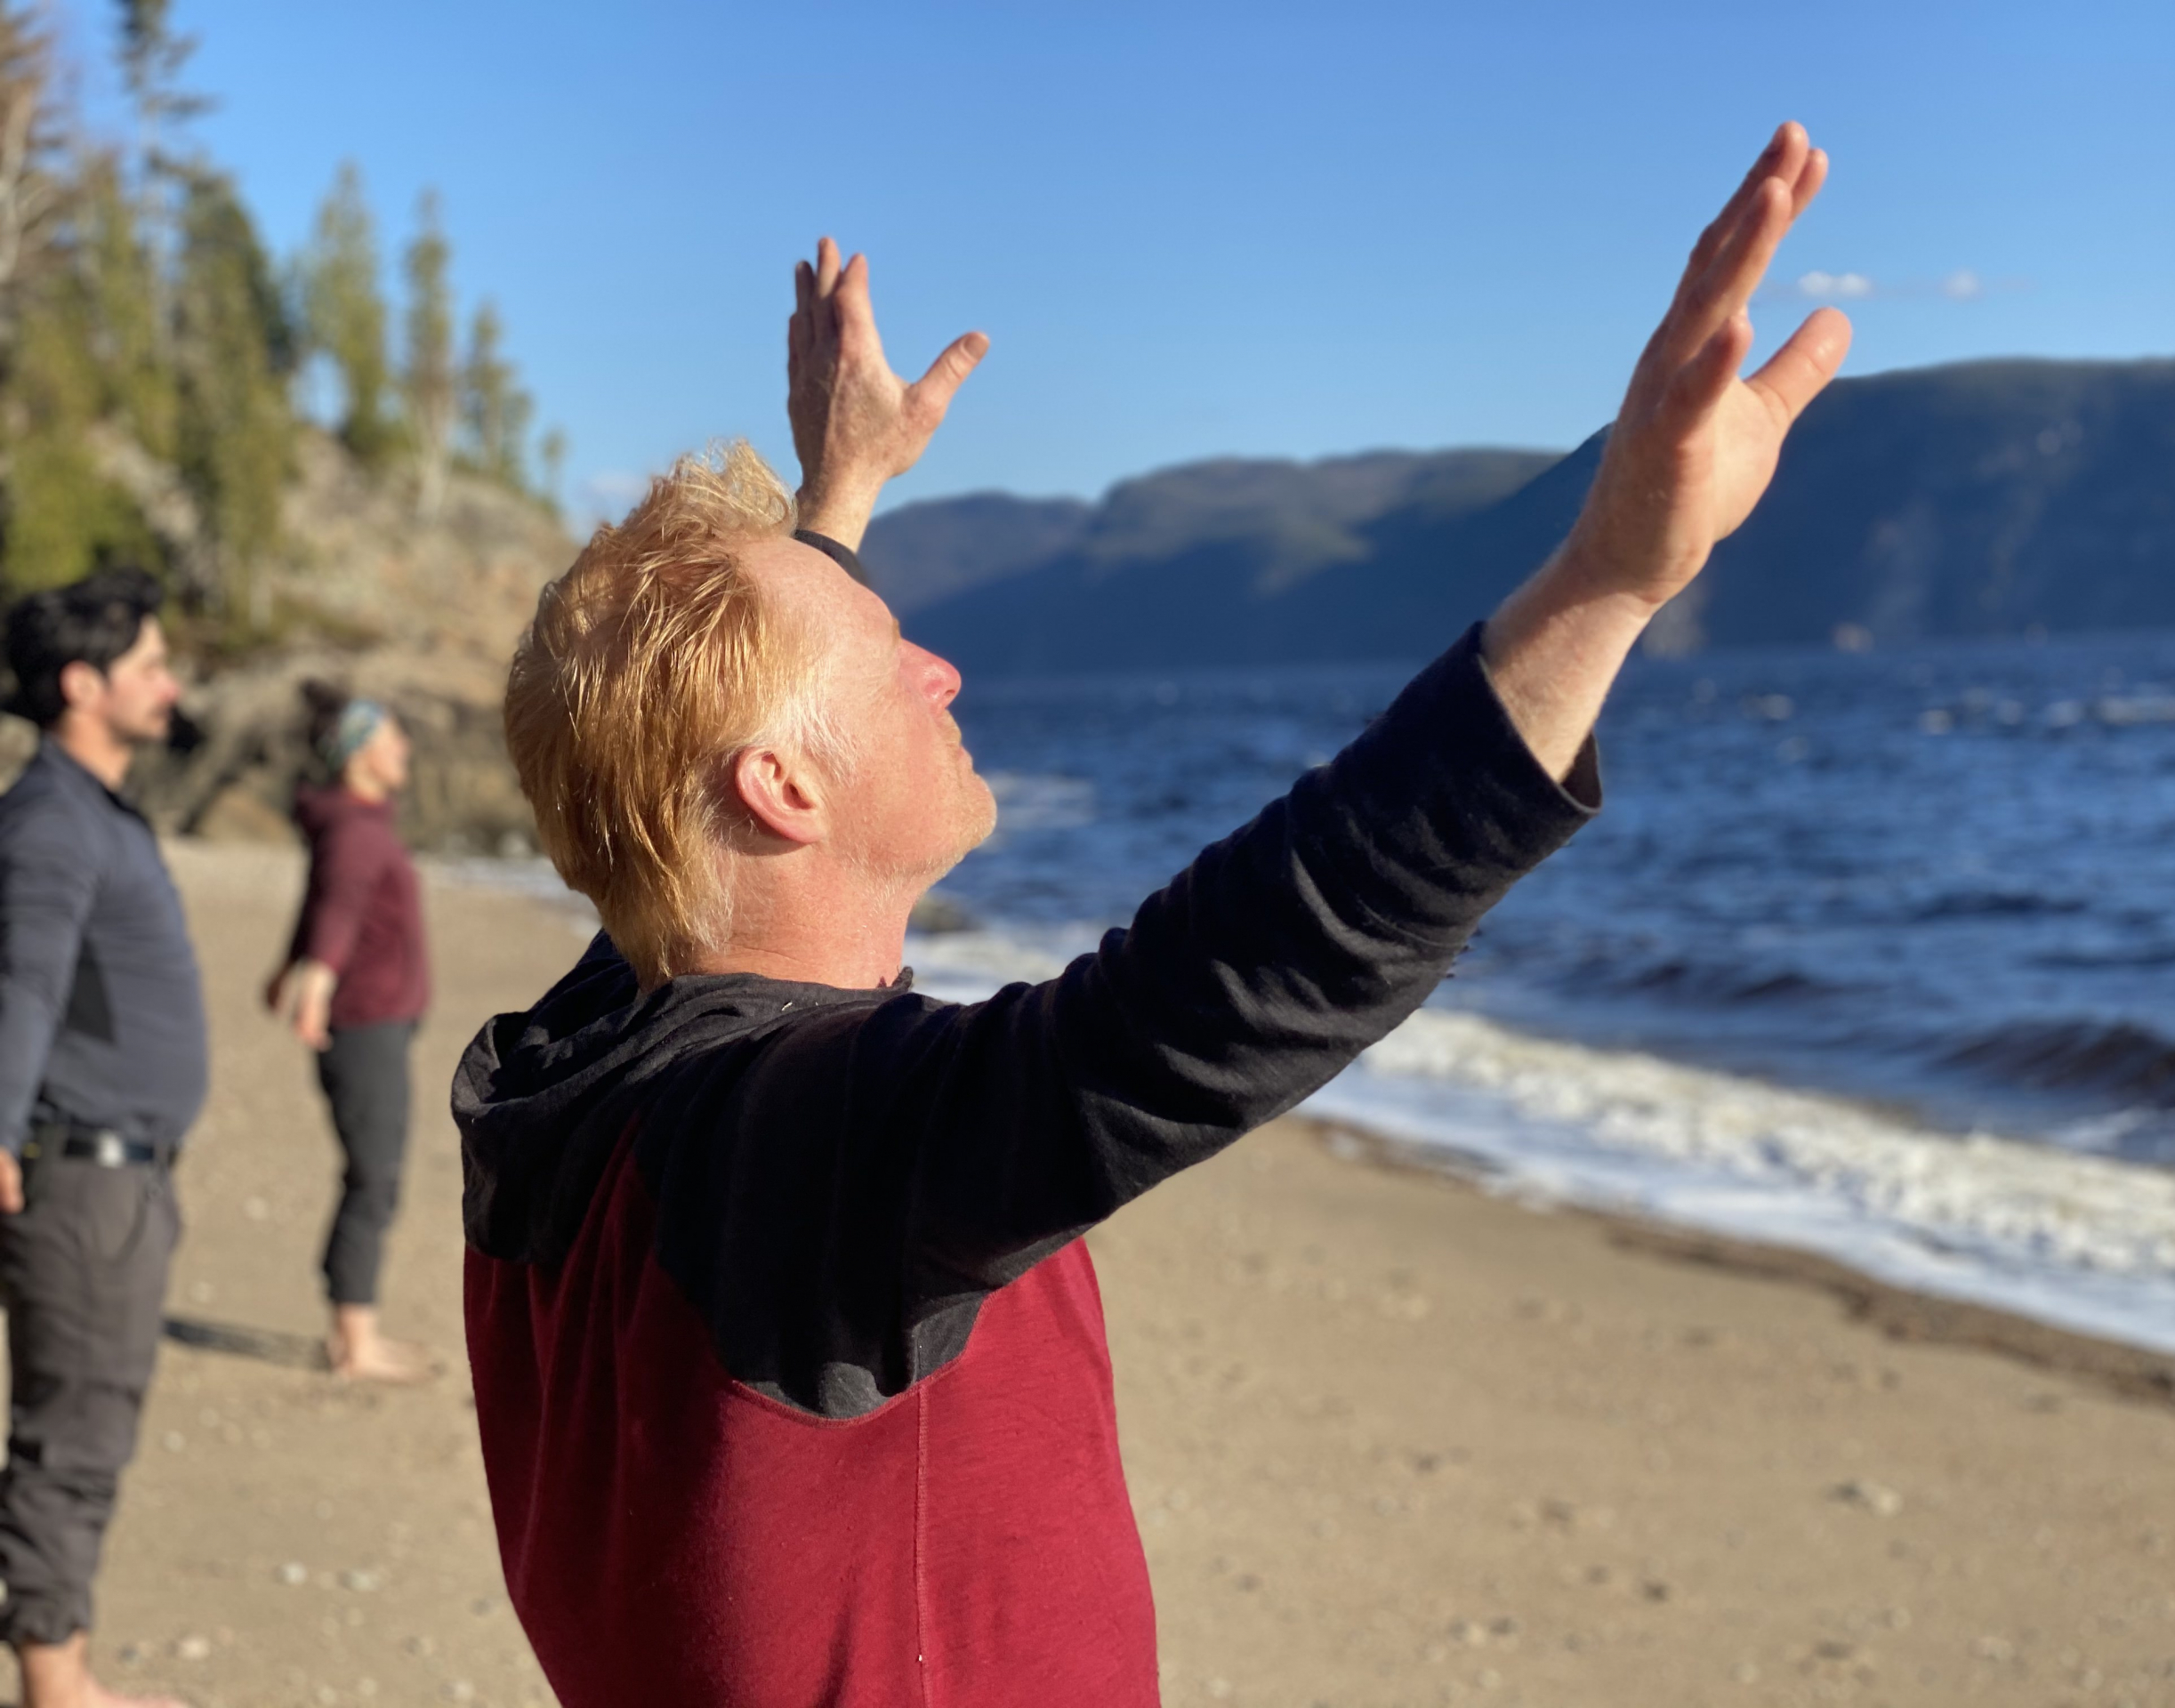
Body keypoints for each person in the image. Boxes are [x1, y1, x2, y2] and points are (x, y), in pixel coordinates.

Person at [456, 125, 1854, 1706]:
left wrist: (835, 506)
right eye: (890, 651)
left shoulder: (580, 1075)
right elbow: (1216, 990)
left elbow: (680, 798)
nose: (943, 673)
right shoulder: (807, 1144)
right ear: (782, 788)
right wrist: (1611, 575)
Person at [0, 567, 205, 1708]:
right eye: (148, 668)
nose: (170, 685)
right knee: (72, 1428)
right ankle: (54, 1682)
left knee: (85, 1419)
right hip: (80, 1175)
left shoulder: (89, 810)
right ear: (82, 685)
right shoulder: (53, 821)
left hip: (117, 1172)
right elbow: (21, 983)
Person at [265, 687, 434, 1382]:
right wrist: (317, 982)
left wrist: (290, 967)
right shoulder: (360, 831)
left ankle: (354, 1332)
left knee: (373, 1174)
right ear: (362, 753)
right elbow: (337, 912)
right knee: (375, 1177)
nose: (405, 749)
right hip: (365, 1025)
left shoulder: (351, 823)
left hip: (372, 1019)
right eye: (393, 738)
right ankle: (353, 1340)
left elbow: (323, 900)